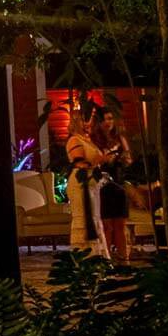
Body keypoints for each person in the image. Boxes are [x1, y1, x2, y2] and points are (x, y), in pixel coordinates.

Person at [91, 108, 133, 262]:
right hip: (103, 185)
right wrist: (106, 158)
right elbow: (95, 161)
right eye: (104, 119)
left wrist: (122, 158)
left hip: (118, 183)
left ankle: (124, 257)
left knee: (120, 224)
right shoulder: (94, 140)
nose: (108, 122)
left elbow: (129, 160)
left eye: (110, 119)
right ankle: (107, 259)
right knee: (107, 225)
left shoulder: (119, 138)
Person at [64, 106, 105, 253]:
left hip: (92, 184)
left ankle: (98, 256)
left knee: (95, 217)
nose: (89, 123)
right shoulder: (74, 140)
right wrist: (102, 159)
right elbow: (80, 161)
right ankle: (84, 254)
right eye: (86, 119)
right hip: (81, 183)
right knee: (84, 218)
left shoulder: (87, 140)